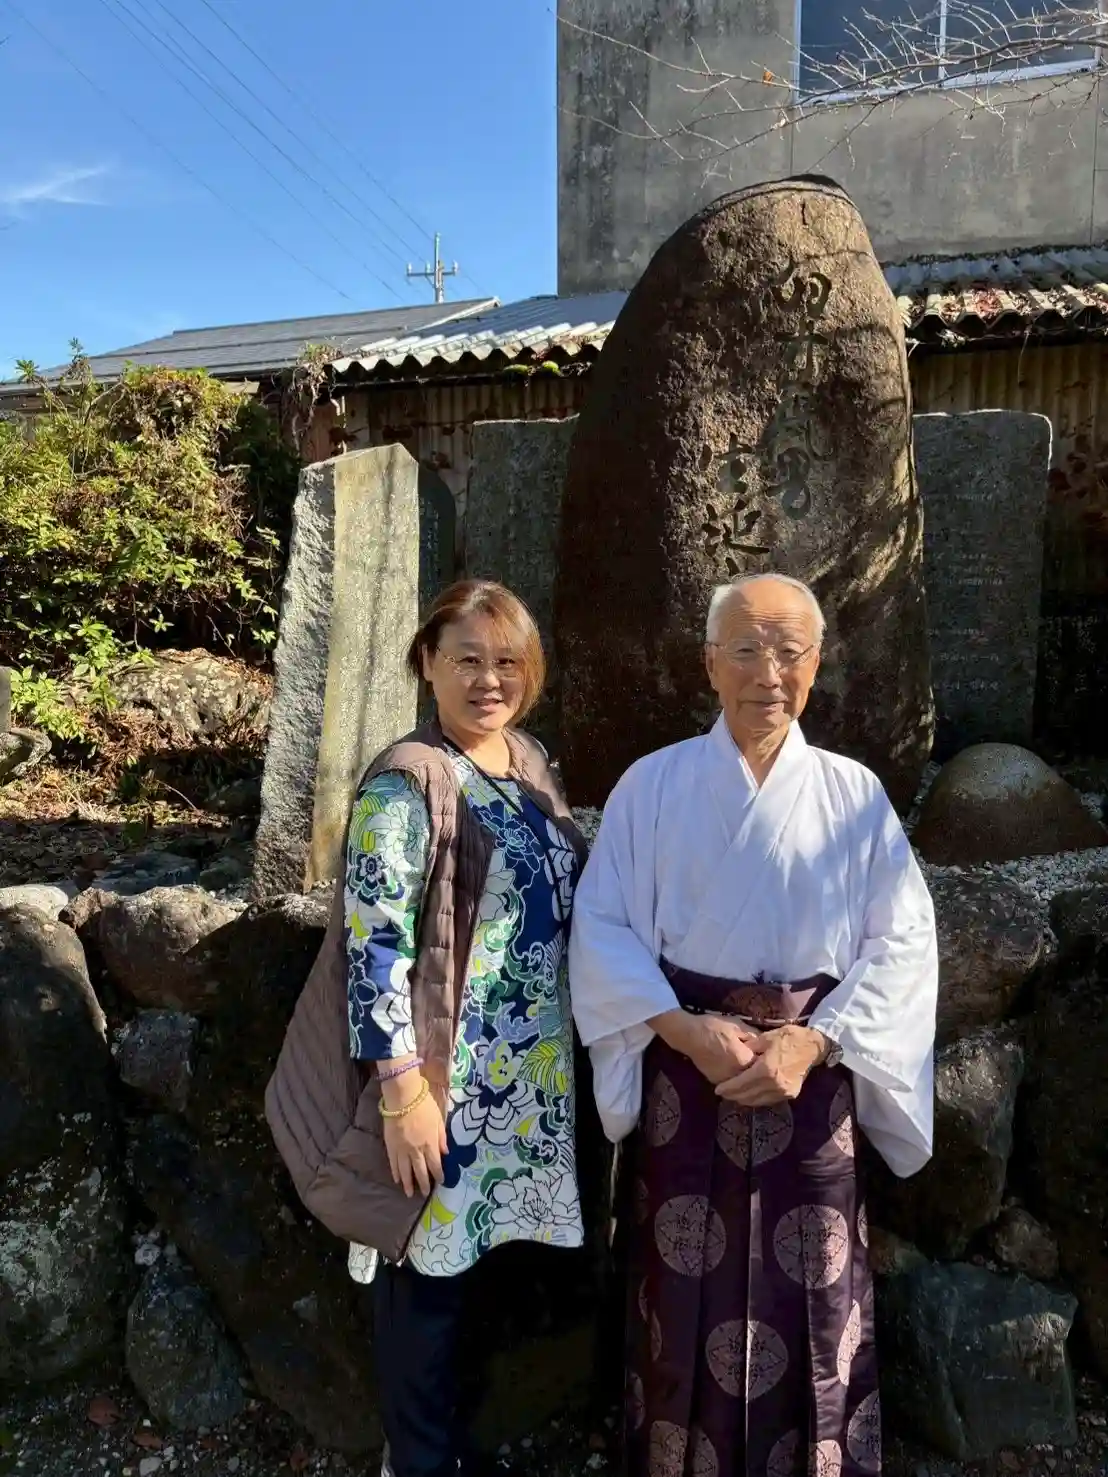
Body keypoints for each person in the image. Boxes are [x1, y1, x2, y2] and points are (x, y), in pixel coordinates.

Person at [568, 572, 938, 1477]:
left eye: (789, 650)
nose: (768, 672)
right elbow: (602, 928)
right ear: (709, 664)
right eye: (745, 649)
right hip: (686, 1072)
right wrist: (681, 1027)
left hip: (811, 1076)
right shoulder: (652, 787)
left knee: (813, 1289)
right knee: (678, 1283)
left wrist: (814, 1041)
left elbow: (904, 940)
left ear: (817, 663)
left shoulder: (854, 795)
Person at [267, 579, 587, 1477]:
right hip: (444, 1084)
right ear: (428, 663)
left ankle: (457, 1452)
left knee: (484, 1279)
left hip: (525, 1084)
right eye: (467, 659)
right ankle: (415, 1461)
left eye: (508, 660)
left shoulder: (527, 761)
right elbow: (375, 945)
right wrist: (401, 1091)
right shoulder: (408, 782)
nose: (490, 679)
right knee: (425, 1276)